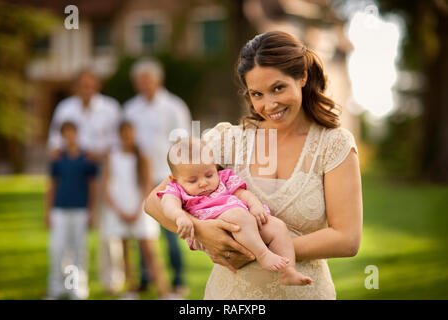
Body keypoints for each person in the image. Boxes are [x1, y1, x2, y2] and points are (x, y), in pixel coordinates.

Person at [144, 31, 363, 299]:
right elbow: (154, 202)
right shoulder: (226, 141)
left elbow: (347, 239)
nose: (269, 104)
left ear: (302, 76)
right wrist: (205, 233)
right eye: (257, 93)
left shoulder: (333, 145)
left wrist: (257, 251)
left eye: (278, 88)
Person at [157, 137, 312, 286]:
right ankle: (263, 254)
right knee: (239, 216)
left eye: (209, 175)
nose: (203, 183)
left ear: (215, 167)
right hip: (215, 224)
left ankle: (288, 271)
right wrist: (180, 217)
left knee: (277, 226)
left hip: (245, 224)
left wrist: (255, 205)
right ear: (175, 178)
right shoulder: (175, 188)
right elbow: (168, 204)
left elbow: (242, 194)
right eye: (193, 180)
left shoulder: (223, 178)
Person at [47, 70, 123, 295]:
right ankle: (69, 284)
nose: (86, 89)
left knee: (108, 231)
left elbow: (118, 141)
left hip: (105, 174)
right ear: (75, 87)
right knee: (71, 232)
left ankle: (112, 281)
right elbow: (54, 140)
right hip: (75, 175)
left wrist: (95, 153)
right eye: (82, 85)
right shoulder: (65, 108)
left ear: (97, 85)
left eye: (90, 85)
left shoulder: (111, 108)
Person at [123, 58, 192, 296]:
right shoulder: (130, 109)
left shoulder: (174, 107)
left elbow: (183, 144)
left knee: (171, 232)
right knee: (143, 232)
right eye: (139, 81)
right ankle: (144, 278)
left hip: (167, 178)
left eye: (147, 80)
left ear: (157, 80)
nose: (143, 85)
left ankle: (178, 279)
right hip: (139, 180)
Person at [101, 121, 170, 299]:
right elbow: (107, 184)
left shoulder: (143, 157)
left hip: (140, 209)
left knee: (149, 250)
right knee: (124, 250)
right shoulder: (112, 156)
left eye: (130, 133)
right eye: (124, 133)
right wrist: (119, 210)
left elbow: (148, 185)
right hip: (120, 210)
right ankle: (130, 289)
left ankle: (163, 290)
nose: (127, 137)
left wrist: (137, 209)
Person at [45, 121, 98, 299]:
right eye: (65, 133)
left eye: (72, 132)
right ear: (62, 136)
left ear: (77, 134)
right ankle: (56, 287)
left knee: (79, 249)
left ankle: (77, 287)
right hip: (60, 209)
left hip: (80, 209)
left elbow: (92, 186)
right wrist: (47, 211)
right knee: (58, 249)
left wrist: (92, 210)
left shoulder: (86, 159)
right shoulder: (58, 159)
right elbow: (51, 186)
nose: (69, 136)